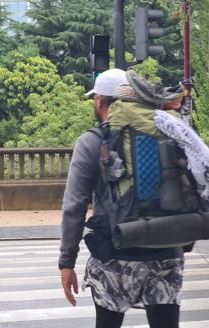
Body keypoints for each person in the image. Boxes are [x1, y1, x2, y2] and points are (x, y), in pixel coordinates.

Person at [59, 68, 187, 328]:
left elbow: (75, 205)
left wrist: (67, 261)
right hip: (167, 252)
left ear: (98, 101)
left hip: (116, 254)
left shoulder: (91, 142)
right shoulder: (167, 131)